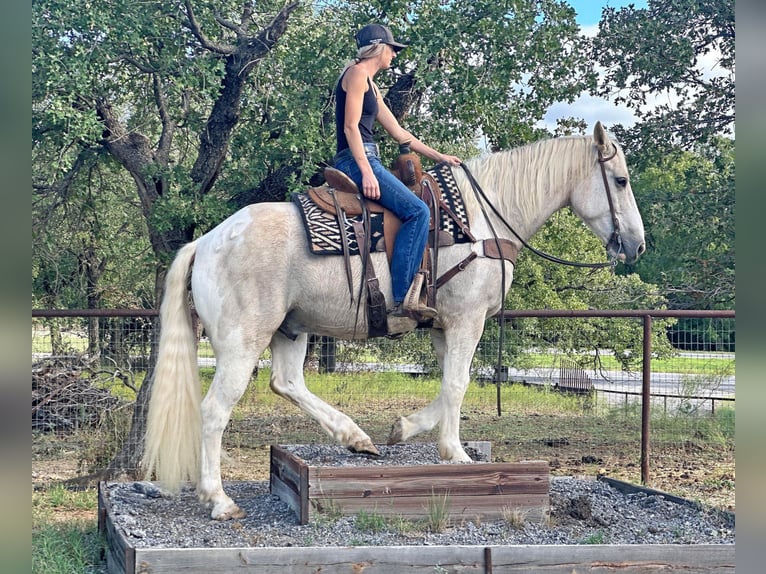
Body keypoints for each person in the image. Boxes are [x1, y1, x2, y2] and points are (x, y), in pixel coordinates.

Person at [333, 23, 461, 320]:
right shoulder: (356, 74)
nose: (394, 55)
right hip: (356, 159)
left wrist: (439, 156)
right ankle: (404, 296)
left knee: (415, 208)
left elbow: (400, 133)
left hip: (366, 157)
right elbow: (350, 127)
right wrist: (365, 171)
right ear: (378, 48)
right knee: (418, 211)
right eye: (393, 48)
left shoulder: (371, 84)